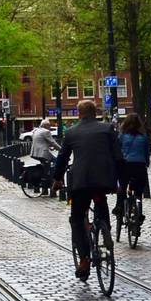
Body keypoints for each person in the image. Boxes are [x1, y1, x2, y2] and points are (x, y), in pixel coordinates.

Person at [52, 99, 122, 280]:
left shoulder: (71, 132)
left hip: (81, 182)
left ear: (78, 114)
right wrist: (119, 181)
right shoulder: (107, 129)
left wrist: (57, 179)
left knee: (76, 219)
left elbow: (62, 158)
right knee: (100, 201)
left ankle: (84, 259)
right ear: (95, 112)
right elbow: (118, 156)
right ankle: (105, 232)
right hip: (104, 180)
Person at [115, 112, 151, 236]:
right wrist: (146, 163)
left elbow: (117, 151)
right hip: (139, 166)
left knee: (122, 187)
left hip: (126, 165)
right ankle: (138, 213)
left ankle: (119, 206)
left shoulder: (122, 136)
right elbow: (147, 154)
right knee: (138, 192)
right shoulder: (144, 137)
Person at [29, 118, 59, 193]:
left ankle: (44, 187)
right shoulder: (46, 131)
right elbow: (53, 142)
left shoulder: (36, 130)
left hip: (35, 153)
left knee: (45, 167)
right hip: (42, 153)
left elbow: (40, 141)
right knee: (56, 161)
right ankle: (50, 179)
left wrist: (49, 147)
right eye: (48, 125)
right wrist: (61, 149)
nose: (49, 127)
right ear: (45, 125)